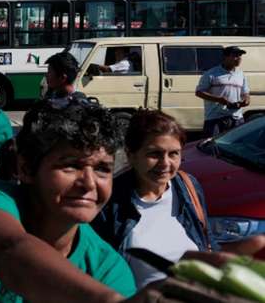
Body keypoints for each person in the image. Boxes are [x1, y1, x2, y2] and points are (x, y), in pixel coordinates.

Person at [0, 100, 137, 303]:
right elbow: (10, 250)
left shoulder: (108, 269)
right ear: (26, 168)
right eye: (71, 165)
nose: (90, 184)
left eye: (102, 169)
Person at [93, 109, 265, 289]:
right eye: (154, 154)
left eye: (173, 153)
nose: (165, 164)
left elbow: (205, 240)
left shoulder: (188, 187)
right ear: (131, 155)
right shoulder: (109, 203)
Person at [195, 46, 250, 137]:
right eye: (235, 55)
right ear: (225, 57)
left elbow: (245, 93)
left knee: (236, 147)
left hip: (236, 118)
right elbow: (199, 92)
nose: (239, 58)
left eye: (240, 56)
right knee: (212, 146)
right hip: (215, 118)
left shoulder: (241, 74)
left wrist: (245, 101)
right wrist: (219, 99)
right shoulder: (211, 73)